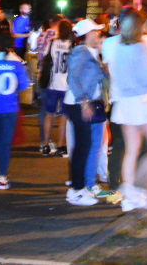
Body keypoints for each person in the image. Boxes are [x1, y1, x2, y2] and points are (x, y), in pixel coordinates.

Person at [110, 10, 147, 212]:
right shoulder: (142, 47)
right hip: (144, 100)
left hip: (125, 102)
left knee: (131, 150)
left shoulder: (118, 47)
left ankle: (129, 193)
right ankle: (144, 189)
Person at [64, 19, 106, 206]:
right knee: (83, 147)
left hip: (85, 102)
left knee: (85, 146)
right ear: (88, 34)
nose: (98, 34)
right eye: (95, 32)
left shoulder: (89, 52)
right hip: (77, 103)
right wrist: (83, 102)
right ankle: (76, 190)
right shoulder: (80, 52)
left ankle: (79, 187)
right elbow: (72, 77)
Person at [0, 28, 29, 190]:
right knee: (4, 143)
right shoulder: (16, 63)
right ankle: (2, 177)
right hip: (9, 108)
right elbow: (23, 85)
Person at [42, 20, 73, 157]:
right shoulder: (72, 45)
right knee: (64, 117)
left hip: (53, 83)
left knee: (49, 115)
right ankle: (60, 146)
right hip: (67, 85)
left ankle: (45, 145)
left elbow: (45, 57)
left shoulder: (53, 43)